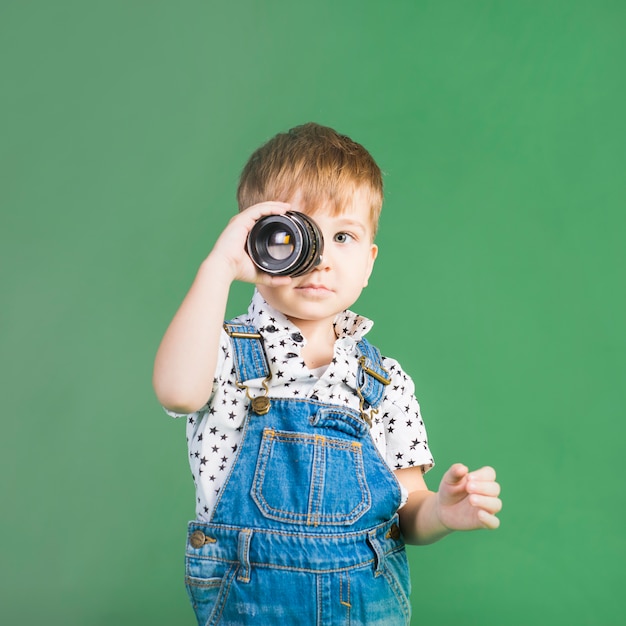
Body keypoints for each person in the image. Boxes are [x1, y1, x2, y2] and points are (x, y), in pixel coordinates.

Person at [153, 122, 502, 625]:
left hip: (365, 605)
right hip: (252, 604)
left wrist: (443, 514)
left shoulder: (385, 382)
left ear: (368, 263)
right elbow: (178, 391)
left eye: (343, 236)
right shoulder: (221, 350)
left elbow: (408, 507)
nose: (319, 260)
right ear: (256, 244)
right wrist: (219, 266)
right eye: (296, 234)